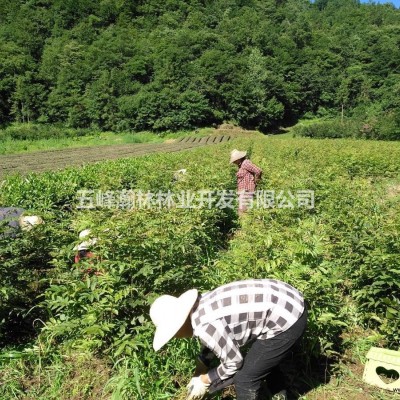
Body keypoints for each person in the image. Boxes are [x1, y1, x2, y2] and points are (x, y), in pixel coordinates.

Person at [150, 279, 307, 400]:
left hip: (288, 317)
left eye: (173, 333)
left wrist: (204, 381)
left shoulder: (205, 326)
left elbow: (234, 363)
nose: (176, 337)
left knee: (245, 379)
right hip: (286, 298)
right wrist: (199, 371)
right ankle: (281, 395)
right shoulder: (199, 305)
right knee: (260, 361)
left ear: (180, 323)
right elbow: (214, 342)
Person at [230, 149, 262, 215]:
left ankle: (246, 223)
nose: (234, 162)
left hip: (246, 191)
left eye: (234, 160)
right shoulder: (241, 165)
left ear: (238, 159)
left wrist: (257, 180)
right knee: (244, 211)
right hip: (243, 192)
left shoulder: (245, 163)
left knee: (242, 212)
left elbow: (258, 171)